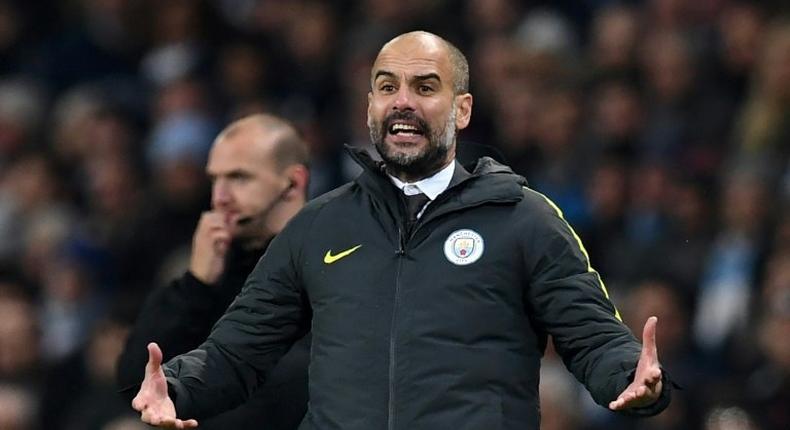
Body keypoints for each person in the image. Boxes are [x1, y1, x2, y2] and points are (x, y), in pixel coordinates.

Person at [131, 32, 672, 429]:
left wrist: (631, 375)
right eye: (387, 87)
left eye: (425, 86)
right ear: (369, 106)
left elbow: (593, 337)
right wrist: (175, 387)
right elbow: (236, 352)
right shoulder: (318, 226)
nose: (403, 102)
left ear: (461, 110)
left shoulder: (525, 219)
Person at [117, 113, 311, 429]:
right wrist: (196, 285)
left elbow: (288, 386)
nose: (219, 197)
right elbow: (136, 386)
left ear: (293, 182)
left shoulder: (327, 262)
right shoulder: (211, 266)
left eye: (238, 178)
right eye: (214, 179)